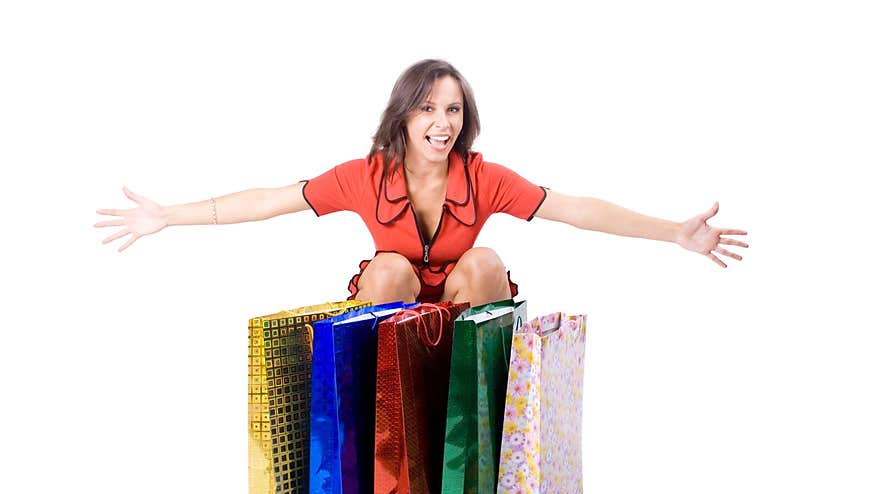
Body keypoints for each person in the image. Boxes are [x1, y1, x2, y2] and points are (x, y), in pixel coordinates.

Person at [95, 59, 748, 306]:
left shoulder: (483, 177)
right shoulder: (364, 176)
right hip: (390, 313)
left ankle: (466, 409)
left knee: (487, 257)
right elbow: (270, 199)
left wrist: (673, 233)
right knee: (385, 266)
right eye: (429, 108)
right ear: (404, 115)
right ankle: (380, 417)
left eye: (454, 109)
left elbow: (574, 209)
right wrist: (169, 216)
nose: (442, 122)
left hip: (463, 313)